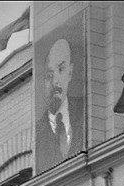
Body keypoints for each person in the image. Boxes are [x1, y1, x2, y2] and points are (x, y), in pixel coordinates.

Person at [35, 37, 84, 173]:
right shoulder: (37, 134)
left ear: (70, 72)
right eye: (49, 75)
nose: (56, 81)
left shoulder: (86, 110)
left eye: (61, 69)